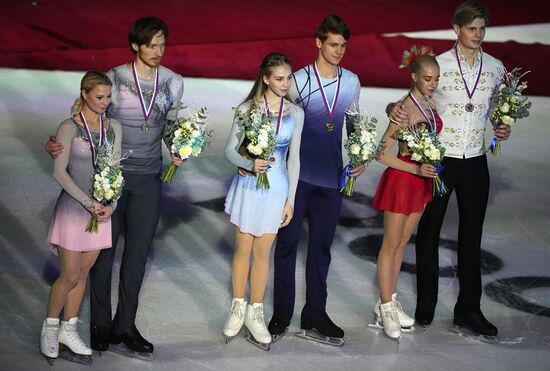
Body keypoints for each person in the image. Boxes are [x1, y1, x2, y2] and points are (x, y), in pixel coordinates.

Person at [45, 16, 184, 358]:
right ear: (136, 45)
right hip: (110, 180)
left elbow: (170, 124)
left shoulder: (174, 82)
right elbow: (85, 120)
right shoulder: (115, 78)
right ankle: (99, 326)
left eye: (162, 44)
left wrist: (179, 146)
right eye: (152, 45)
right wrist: (56, 142)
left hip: (150, 179)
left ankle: (125, 325)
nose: (158, 51)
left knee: (137, 256)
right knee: (104, 254)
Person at [388, 1, 511, 337]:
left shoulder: (496, 67)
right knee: (428, 234)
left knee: (471, 238)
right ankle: (425, 306)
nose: (478, 34)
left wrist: (502, 124)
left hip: (476, 162)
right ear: (456, 29)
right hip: (439, 162)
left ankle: (469, 310)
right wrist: (391, 108)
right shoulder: (439, 65)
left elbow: (498, 109)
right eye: (472, 28)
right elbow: (411, 100)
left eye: (482, 28)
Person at [268, 15, 364, 346]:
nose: (338, 51)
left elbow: (354, 125)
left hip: (330, 179)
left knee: (321, 250)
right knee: (287, 247)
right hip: (295, 181)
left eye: (343, 45)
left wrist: (358, 157)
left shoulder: (351, 82)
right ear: (318, 42)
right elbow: (278, 125)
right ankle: (281, 313)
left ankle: (315, 313)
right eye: (333, 44)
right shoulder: (296, 81)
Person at [222, 52, 303, 350]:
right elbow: (229, 150)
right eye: (279, 78)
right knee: (243, 249)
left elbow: (294, 159)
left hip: (276, 189)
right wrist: (247, 163)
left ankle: (256, 312)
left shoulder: (295, 113)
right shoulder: (246, 109)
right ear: (266, 78)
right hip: (248, 185)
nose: (285, 84)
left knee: (263, 253)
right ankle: (238, 307)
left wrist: (290, 200)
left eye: (288, 78)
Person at [40, 71, 121, 362]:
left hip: (102, 213)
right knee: (69, 274)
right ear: (85, 94)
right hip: (75, 210)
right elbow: (59, 173)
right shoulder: (69, 127)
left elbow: (115, 171)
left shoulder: (113, 128)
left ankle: (68, 328)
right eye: (99, 97)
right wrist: (90, 203)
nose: (104, 102)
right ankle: (50, 328)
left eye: (108, 97)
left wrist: (111, 203)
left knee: (83, 275)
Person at [372, 49, 441, 340]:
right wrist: (415, 170)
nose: (432, 84)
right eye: (427, 79)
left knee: (401, 245)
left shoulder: (429, 102)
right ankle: (385, 307)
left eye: (436, 79)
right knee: (390, 245)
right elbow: (380, 153)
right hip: (402, 181)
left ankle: (388, 301)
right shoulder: (404, 108)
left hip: (420, 183)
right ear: (414, 77)